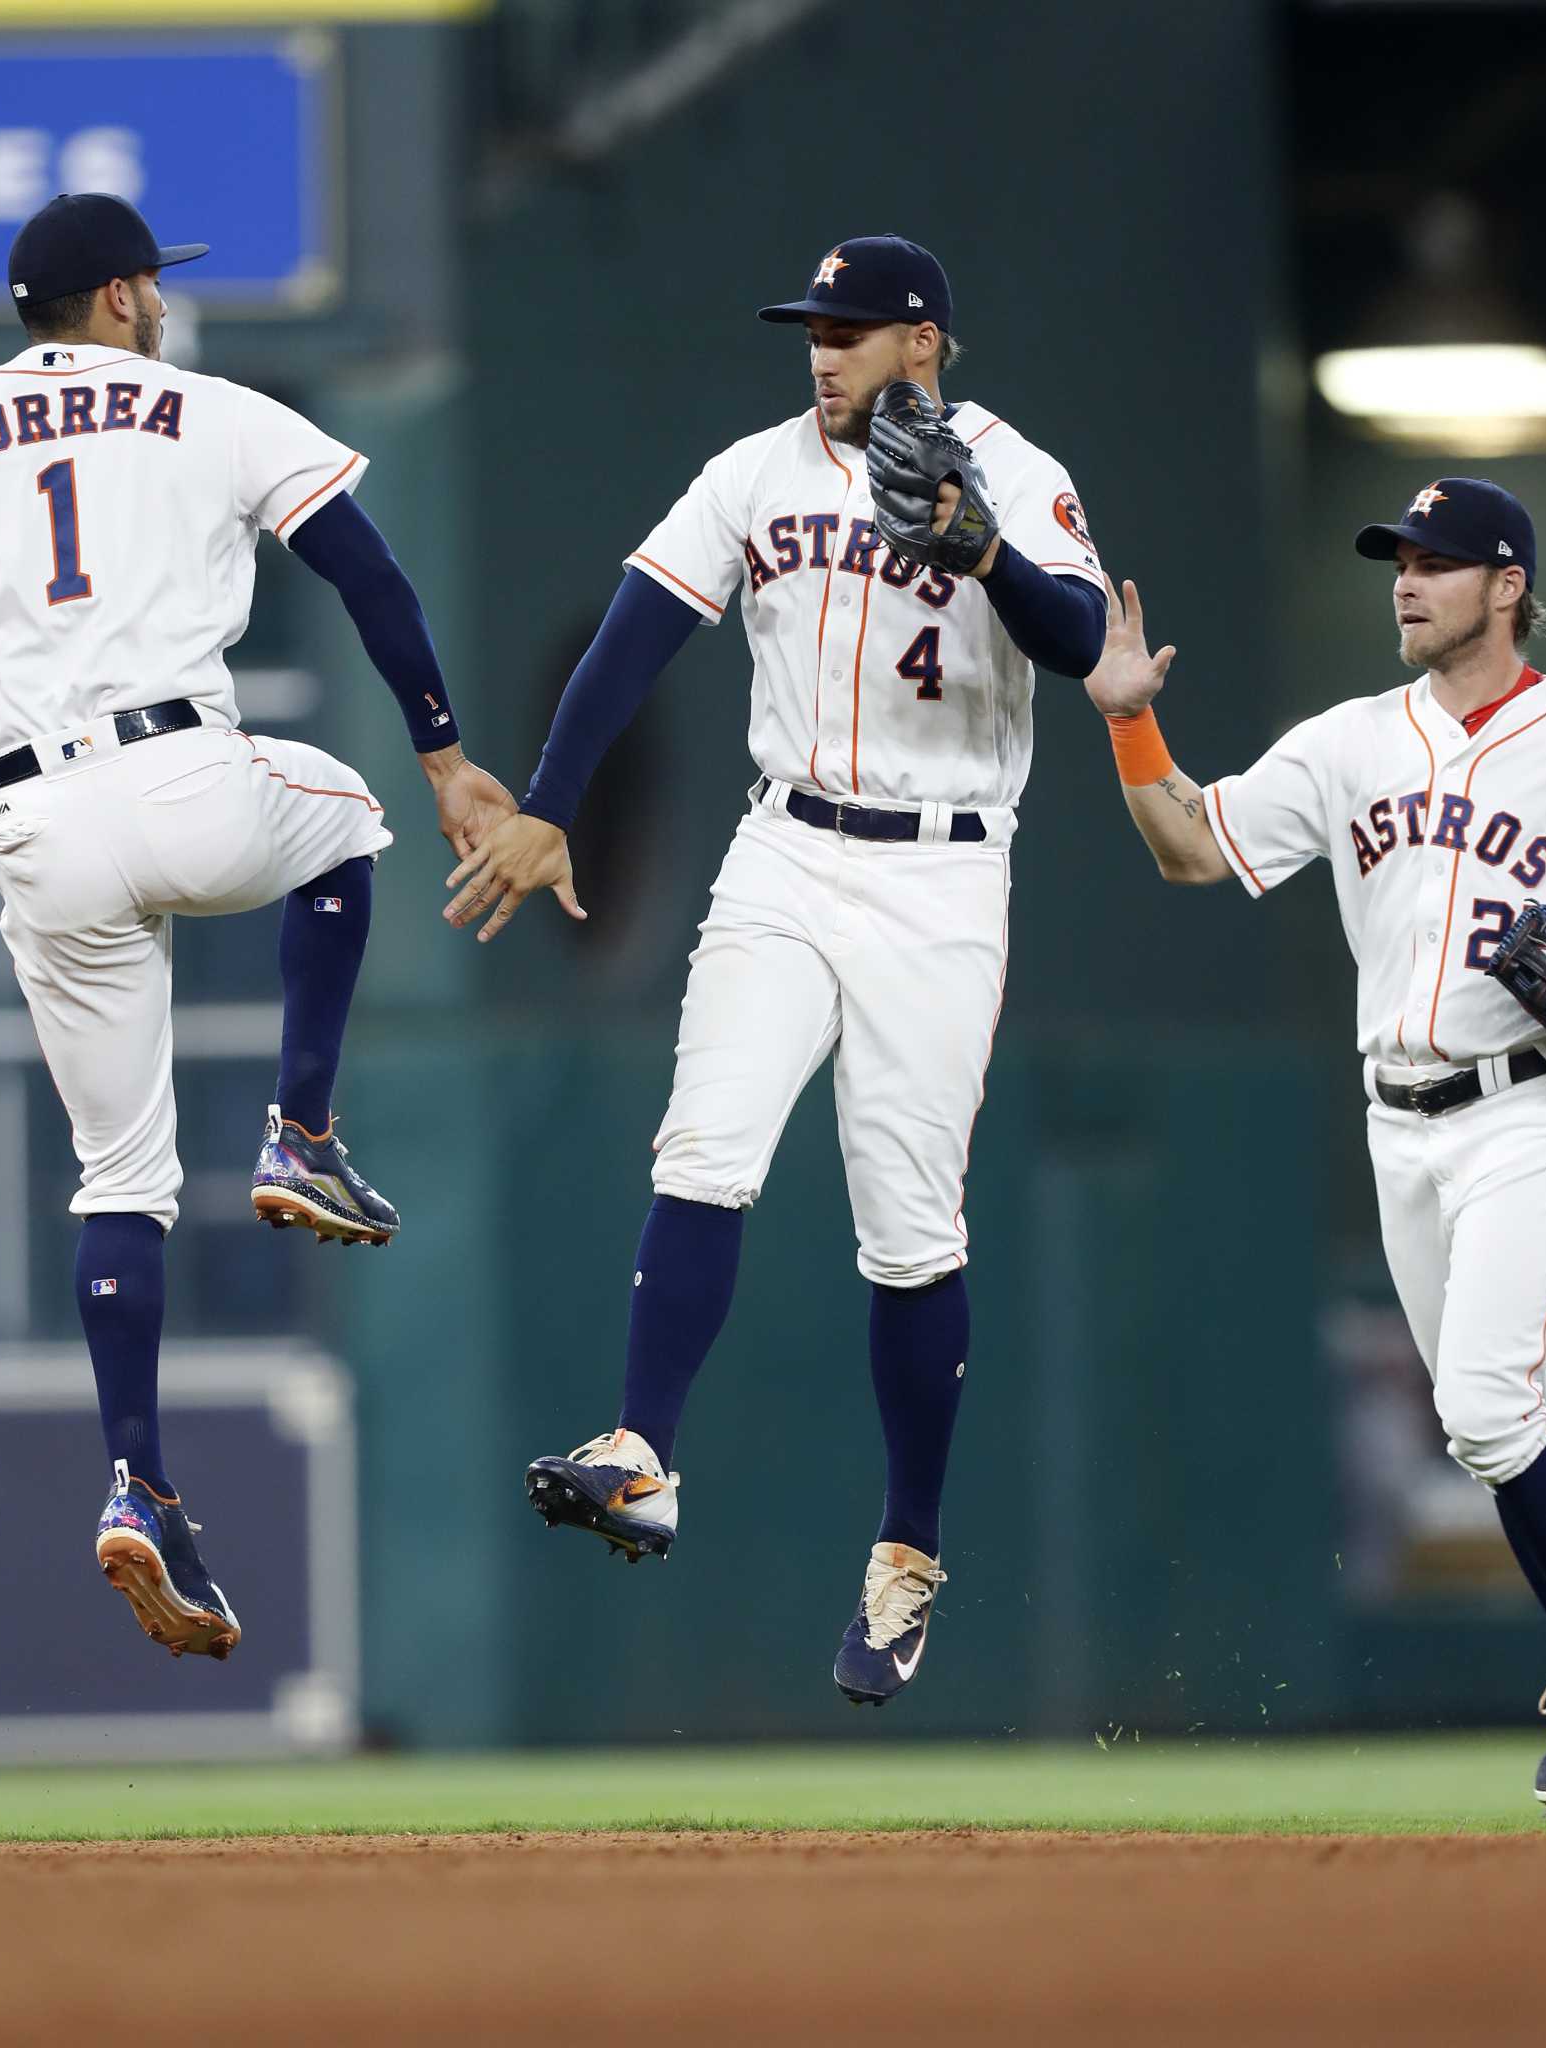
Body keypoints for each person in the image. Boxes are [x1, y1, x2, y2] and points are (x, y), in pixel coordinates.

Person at [0, 192, 514, 1660]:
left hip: (36, 827)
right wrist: (442, 754)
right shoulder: (206, 407)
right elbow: (364, 564)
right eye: (149, 285)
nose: (160, 303)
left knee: (120, 1173)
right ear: (112, 300)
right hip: (189, 772)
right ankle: (300, 1128)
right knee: (349, 812)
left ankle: (140, 1479)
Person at [438, 235, 1107, 1705]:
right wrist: (550, 800)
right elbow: (638, 630)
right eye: (815, 326)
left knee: (909, 1229)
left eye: (855, 330)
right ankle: (643, 1450)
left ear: (922, 343)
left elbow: (1078, 641)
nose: (824, 350)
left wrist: (985, 546)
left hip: (943, 870)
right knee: (705, 1141)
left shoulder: (1012, 466)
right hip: (787, 847)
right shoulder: (757, 472)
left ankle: (907, 1553)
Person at [1085, 476, 1546, 1814]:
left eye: (1439, 562)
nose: (1406, 578)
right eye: (1399, 557)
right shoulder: (1346, 745)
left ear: (1507, 586)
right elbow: (1189, 851)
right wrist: (1129, 721)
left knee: (1488, 1405)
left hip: (1537, 1110)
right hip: (1401, 1126)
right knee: (1497, 1424)